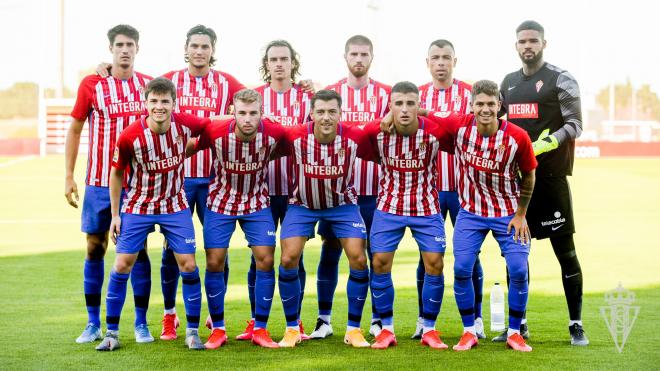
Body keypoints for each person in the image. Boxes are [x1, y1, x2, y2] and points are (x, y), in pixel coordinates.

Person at [420, 80, 537, 352]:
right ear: (471, 106)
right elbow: (423, 112)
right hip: (471, 213)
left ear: (499, 106)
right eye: (480, 104)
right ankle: (469, 330)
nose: (485, 109)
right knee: (461, 268)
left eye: (491, 104)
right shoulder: (459, 125)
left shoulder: (517, 137)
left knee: (519, 270)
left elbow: (530, 175)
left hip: (508, 214)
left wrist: (521, 214)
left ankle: (515, 332)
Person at [95, 77, 208, 351]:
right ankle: (112, 333)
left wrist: (188, 149)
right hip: (138, 205)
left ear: (173, 103)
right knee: (122, 264)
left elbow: (211, 128)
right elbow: (117, 173)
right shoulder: (130, 136)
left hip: (174, 205)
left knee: (189, 265)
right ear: (146, 103)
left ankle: (192, 332)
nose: (159, 107)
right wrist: (115, 214)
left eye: (165, 101)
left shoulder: (184, 124)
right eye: (154, 101)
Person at [498, 20, 588, 346]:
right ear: (516, 45)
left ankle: (576, 323)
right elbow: (493, 121)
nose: (527, 46)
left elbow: (576, 124)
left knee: (565, 253)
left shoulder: (560, 79)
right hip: (518, 184)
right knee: (516, 256)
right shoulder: (507, 83)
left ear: (544, 44)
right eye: (522, 41)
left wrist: (549, 143)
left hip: (551, 180)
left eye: (533, 40)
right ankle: (517, 325)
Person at [65, 24, 154, 344]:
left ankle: (141, 323)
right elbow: (74, 129)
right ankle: (92, 323)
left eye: (130, 44)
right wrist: (68, 175)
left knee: (137, 251)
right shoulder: (92, 84)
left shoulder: (148, 86)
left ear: (137, 48)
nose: (125, 49)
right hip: (98, 183)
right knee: (95, 247)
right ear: (111, 49)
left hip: (137, 185)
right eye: (119, 44)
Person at [158, 25, 245, 340]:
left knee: (217, 250)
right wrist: (107, 69)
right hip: (176, 180)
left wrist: (301, 85)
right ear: (186, 48)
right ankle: (170, 315)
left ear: (212, 50)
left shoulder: (227, 84)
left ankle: (214, 313)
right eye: (194, 45)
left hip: (216, 180)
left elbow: (255, 101)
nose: (199, 51)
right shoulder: (170, 81)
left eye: (205, 46)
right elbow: (146, 90)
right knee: (171, 250)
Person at [189, 89, 288, 349]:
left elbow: (294, 143)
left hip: (257, 202)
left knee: (266, 260)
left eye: (253, 113)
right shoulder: (216, 131)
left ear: (261, 114)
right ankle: (218, 329)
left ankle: (261, 329)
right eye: (242, 113)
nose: (247, 119)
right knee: (214, 261)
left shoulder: (275, 133)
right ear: (233, 112)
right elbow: (188, 146)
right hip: (221, 202)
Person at [275, 90, 373, 348]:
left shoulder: (354, 136)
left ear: (340, 114)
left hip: (342, 205)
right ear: (311, 113)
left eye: (332, 112)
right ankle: (292, 329)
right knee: (287, 258)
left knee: (359, 260)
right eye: (321, 112)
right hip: (302, 205)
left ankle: (353, 330)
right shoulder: (294, 135)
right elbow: (265, 132)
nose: (326, 117)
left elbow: (381, 130)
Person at [310, 35, 391, 339]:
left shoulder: (385, 95)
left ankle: (375, 319)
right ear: (345, 57)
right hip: (337, 192)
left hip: (375, 190)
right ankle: (324, 319)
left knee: (374, 255)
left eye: (364, 54)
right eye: (354, 54)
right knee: (330, 252)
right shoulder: (330, 94)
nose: (359, 59)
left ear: (372, 57)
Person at [361, 81, 453, 350]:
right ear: (390, 106)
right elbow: (362, 133)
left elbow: (454, 126)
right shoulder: (378, 134)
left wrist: (427, 112)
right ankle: (386, 328)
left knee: (435, 264)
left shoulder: (434, 133)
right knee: (379, 263)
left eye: (410, 103)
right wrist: (382, 119)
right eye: (398, 104)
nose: (404, 109)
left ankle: (429, 328)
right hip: (389, 206)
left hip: (426, 208)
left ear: (418, 106)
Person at [234, 40, 313, 342]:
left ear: (294, 63)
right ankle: (256, 321)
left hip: (296, 192)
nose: (279, 64)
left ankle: (297, 322)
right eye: (273, 59)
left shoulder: (306, 99)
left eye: (284, 59)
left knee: (296, 257)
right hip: (261, 192)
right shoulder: (255, 98)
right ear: (265, 64)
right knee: (260, 258)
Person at [415, 39, 486, 339]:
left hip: (465, 190)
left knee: (470, 256)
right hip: (428, 189)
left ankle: (477, 319)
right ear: (427, 62)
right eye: (435, 57)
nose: (441, 62)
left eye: (446, 57)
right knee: (426, 256)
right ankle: (423, 320)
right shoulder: (414, 96)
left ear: (455, 61)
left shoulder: (471, 94)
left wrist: (431, 116)